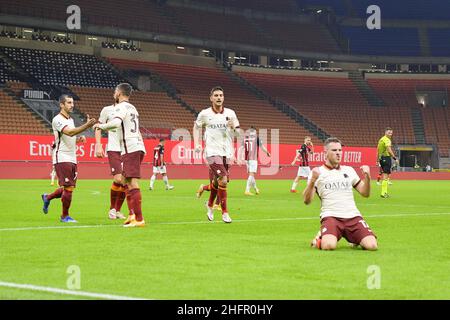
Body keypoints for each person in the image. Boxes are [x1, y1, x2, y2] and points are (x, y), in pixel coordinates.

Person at [303, 137, 378, 251]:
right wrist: (312, 180)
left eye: (340, 150)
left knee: (372, 246)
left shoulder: (349, 170)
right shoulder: (317, 172)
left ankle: (354, 239)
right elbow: (307, 201)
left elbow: (365, 193)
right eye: (334, 150)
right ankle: (319, 238)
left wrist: (367, 177)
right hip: (331, 216)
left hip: (353, 216)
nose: (338, 153)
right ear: (326, 153)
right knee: (328, 246)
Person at [94, 83, 147, 227]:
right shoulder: (132, 107)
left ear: (119, 93)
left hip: (130, 148)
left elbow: (116, 123)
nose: (114, 94)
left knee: (131, 183)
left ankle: (139, 218)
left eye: (115, 91)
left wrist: (101, 126)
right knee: (124, 181)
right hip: (135, 147)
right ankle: (131, 215)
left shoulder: (121, 107)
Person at [41, 95, 96, 222]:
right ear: (61, 104)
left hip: (72, 157)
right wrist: (86, 126)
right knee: (69, 187)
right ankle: (64, 216)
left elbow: (69, 137)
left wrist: (78, 139)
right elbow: (70, 132)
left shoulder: (70, 120)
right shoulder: (57, 119)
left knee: (68, 187)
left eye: (73, 103)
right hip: (61, 156)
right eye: (69, 103)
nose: (72, 105)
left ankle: (47, 197)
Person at [193, 86, 240, 223]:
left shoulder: (231, 113)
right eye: (216, 95)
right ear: (211, 98)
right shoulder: (204, 114)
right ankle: (225, 212)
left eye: (221, 95)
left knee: (216, 182)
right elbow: (196, 127)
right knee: (223, 179)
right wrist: (196, 143)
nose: (219, 97)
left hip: (227, 152)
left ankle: (209, 205)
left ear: (223, 98)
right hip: (212, 152)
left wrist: (233, 127)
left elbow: (238, 134)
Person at [94, 103, 127, 220]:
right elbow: (98, 127)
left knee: (125, 181)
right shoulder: (107, 110)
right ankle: (112, 209)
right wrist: (98, 145)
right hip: (113, 148)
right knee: (118, 178)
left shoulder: (127, 109)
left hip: (127, 148)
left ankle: (117, 210)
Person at [239, 126, 270, 195]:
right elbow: (262, 147)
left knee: (251, 175)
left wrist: (240, 158)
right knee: (251, 174)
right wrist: (267, 152)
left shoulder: (245, 138)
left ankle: (256, 188)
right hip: (253, 158)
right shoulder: (256, 138)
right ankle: (247, 190)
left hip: (247, 159)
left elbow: (241, 148)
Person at [377, 127, 398, 198]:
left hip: (381, 158)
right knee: (385, 176)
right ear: (385, 132)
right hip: (386, 158)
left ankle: (384, 193)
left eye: (391, 133)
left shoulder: (381, 139)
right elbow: (389, 149)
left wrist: (377, 160)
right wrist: (394, 158)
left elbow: (378, 150)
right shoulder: (387, 140)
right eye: (389, 132)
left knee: (385, 176)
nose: (390, 134)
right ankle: (383, 193)